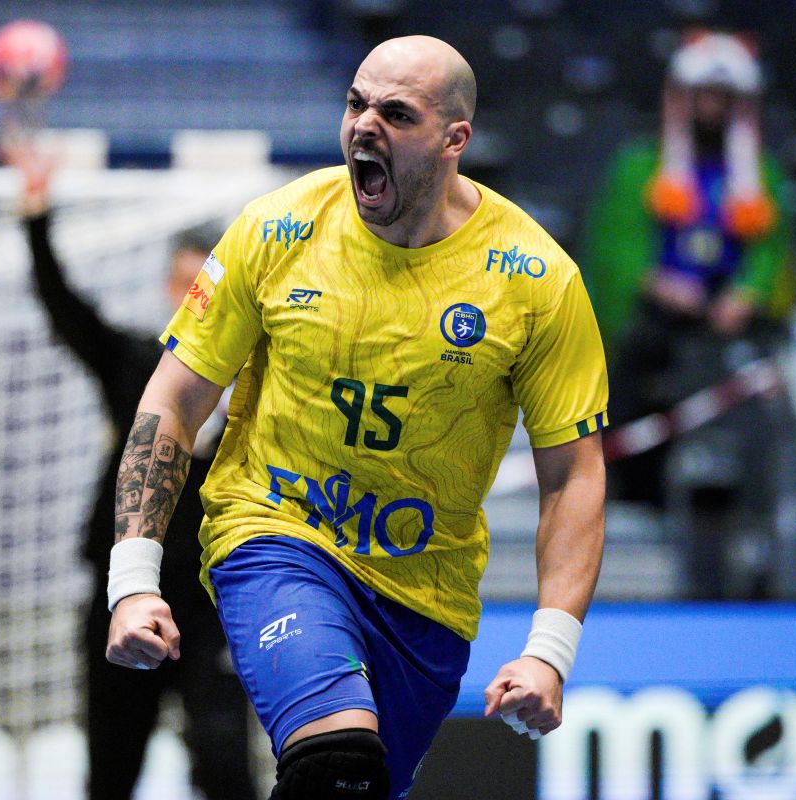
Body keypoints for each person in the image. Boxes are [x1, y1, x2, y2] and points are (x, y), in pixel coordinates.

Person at [106, 35, 608, 800]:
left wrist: (550, 651)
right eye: (355, 103)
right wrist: (134, 579)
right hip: (276, 535)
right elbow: (174, 400)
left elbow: (573, 475)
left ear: (454, 139)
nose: (364, 125)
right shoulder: (276, 230)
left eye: (396, 112)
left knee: (356, 785)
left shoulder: (537, 279)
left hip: (423, 596)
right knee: (335, 755)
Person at [2, 140, 260, 800]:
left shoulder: (261, 376)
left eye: (200, 286)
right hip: (126, 586)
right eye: (180, 283)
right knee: (113, 764)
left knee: (225, 756)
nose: (189, 298)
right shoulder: (134, 362)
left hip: (218, 596)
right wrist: (35, 212)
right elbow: (63, 307)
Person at [578, 31, 796, 595]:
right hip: (657, 325)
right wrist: (655, 281)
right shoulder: (639, 166)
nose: (712, 108)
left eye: (724, 99)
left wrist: (748, 290)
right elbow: (612, 248)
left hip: (728, 328)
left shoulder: (760, 171)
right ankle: (630, 503)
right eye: (703, 95)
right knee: (632, 397)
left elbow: (772, 252)